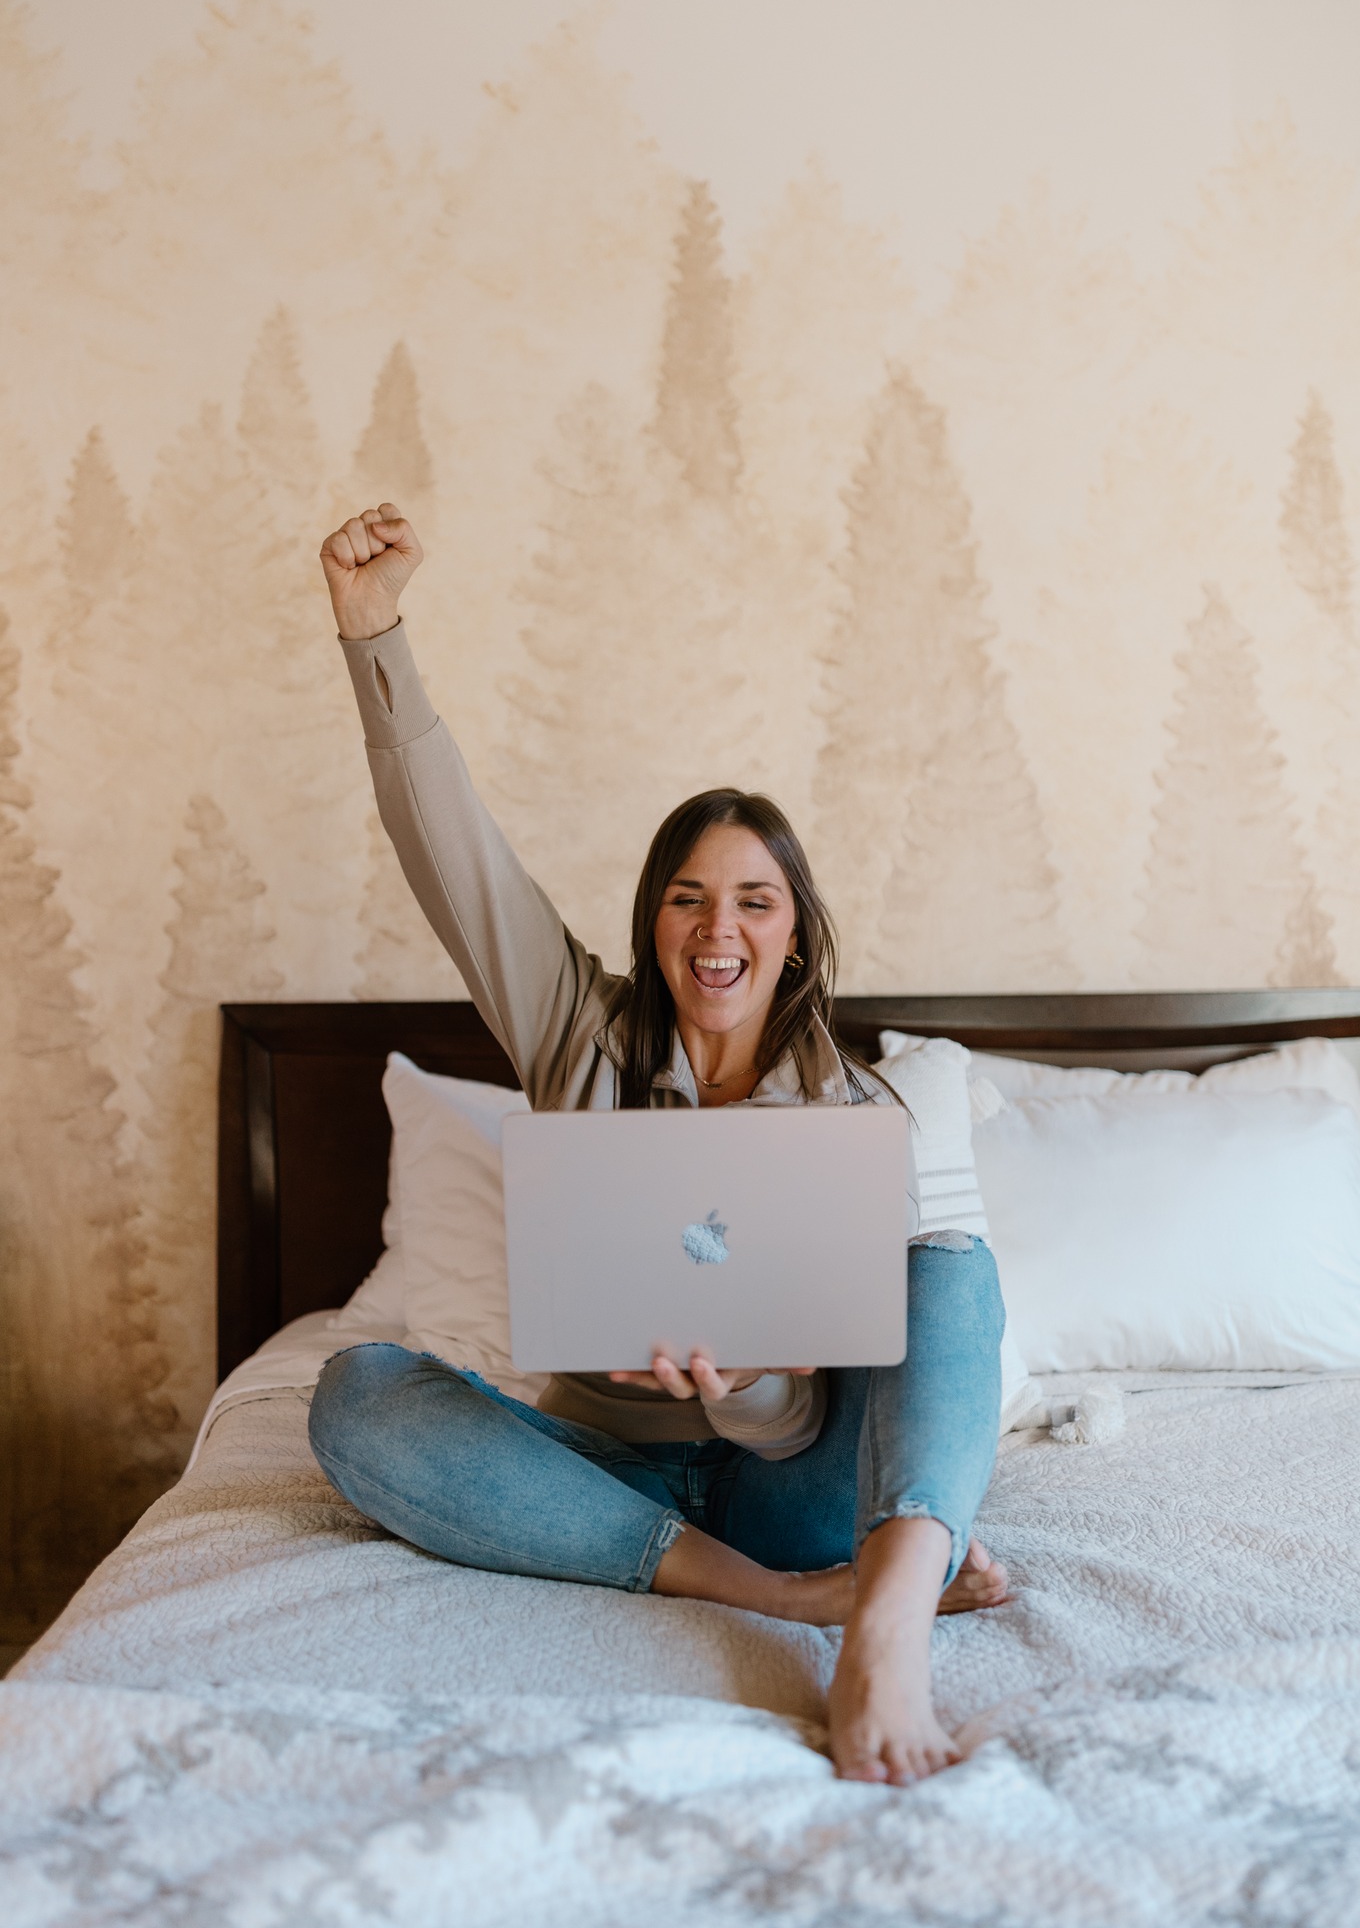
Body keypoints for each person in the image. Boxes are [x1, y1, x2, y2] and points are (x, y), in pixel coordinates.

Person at [308, 504, 1009, 1785]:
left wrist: (734, 1384)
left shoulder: (856, 1116)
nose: (717, 925)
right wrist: (375, 635)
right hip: (600, 1480)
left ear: (794, 931)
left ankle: (888, 1620)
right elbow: (454, 856)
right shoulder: (578, 1029)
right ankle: (789, 1602)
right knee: (353, 1394)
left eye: (754, 897)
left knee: (952, 1257)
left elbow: (803, 1414)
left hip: (787, 1486)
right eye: (686, 895)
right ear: (652, 920)